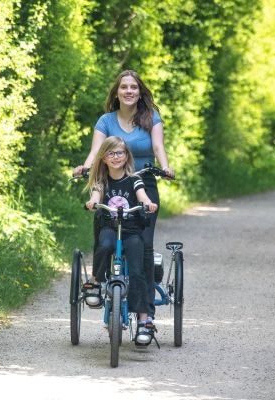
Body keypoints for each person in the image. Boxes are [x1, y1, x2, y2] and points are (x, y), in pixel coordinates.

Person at [74, 69, 174, 327]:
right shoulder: (106, 120)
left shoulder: (151, 117)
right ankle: (99, 281)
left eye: (134, 87)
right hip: (112, 181)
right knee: (104, 232)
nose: (129, 91)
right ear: (117, 93)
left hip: (143, 181)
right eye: (124, 87)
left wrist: (165, 167)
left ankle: (146, 314)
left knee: (144, 246)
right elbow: (96, 150)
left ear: (140, 92)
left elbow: (158, 147)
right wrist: (85, 167)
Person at [83, 136, 158, 344]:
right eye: (111, 153)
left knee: (137, 270)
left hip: (131, 231)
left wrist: (147, 203)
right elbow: (97, 196)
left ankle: (144, 321)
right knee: (104, 245)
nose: (116, 157)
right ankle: (96, 281)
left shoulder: (134, 179)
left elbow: (142, 196)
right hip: (109, 228)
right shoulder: (102, 181)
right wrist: (93, 202)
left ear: (127, 156)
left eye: (120, 153)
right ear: (104, 158)